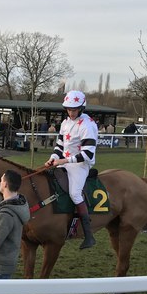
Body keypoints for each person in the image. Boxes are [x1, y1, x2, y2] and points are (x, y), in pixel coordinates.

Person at [45, 90, 98, 250]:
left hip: (80, 165)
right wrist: (53, 158)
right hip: (65, 161)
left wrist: (63, 160)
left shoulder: (88, 125)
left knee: (75, 193)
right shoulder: (65, 123)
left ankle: (89, 235)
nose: (71, 112)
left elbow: (87, 154)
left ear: (81, 109)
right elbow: (60, 146)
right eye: (68, 109)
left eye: (74, 109)